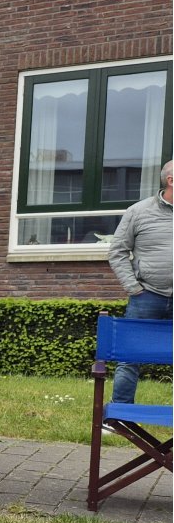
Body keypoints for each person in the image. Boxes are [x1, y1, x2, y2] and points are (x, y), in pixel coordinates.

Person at [106, 159, 172, 404]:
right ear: (170, 180)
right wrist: (133, 288)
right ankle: (119, 415)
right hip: (147, 296)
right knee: (130, 356)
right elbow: (117, 252)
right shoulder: (139, 211)